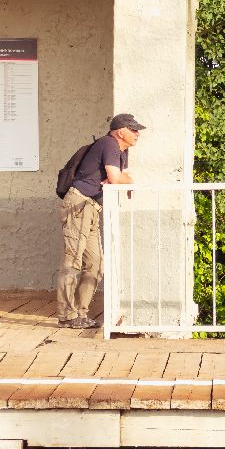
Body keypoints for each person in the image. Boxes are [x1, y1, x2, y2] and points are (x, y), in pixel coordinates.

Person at [56, 113, 146, 328]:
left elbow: (118, 178)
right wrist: (127, 181)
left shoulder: (122, 152)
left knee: (95, 263)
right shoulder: (109, 144)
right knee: (73, 261)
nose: (137, 134)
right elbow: (117, 178)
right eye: (133, 130)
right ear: (120, 131)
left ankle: (81, 313)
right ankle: (66, 316)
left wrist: (123, 181)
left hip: (92, 207)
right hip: (79, 204)